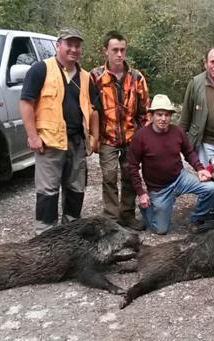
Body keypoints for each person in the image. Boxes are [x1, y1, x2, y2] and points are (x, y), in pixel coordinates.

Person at [20, 27, 98, 234]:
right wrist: (32, 136)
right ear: (58, 45)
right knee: (47, 192)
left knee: (76, 190)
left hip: (77, 143)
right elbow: (26, 103)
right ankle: (45, 236)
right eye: (69, 44)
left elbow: (94, 109)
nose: (73, 49)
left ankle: (70, 234)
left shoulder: (86, 77)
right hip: (49, 143)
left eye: (77, 45)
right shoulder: (40, 70)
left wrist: (94, 138)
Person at [128, 94, 214, 234]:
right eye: (159, 114)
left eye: (167, 115)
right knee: (160, 230)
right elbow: (132, 166)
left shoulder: (178, 132)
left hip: (179, 178)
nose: (163, 119)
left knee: (211, 188)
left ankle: (195, 219)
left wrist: (200, 169)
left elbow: (189, 152)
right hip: (159, 188)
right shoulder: (141, 137)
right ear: (151, 115)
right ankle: (146, 208)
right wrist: (141, 193)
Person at [90, 31, 149, 231]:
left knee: (130, 175)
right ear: (105, 50)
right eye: (115, 50)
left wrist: (143, 137)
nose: (119, 54)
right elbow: (91, 109)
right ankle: (111, 219)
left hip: (132, 136)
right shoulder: (95, 77)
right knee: (108, 176)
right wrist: (94, 138)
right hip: (107, 137)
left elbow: (144, 110)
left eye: (122, 50)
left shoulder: (136, 77)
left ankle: (127, 215)